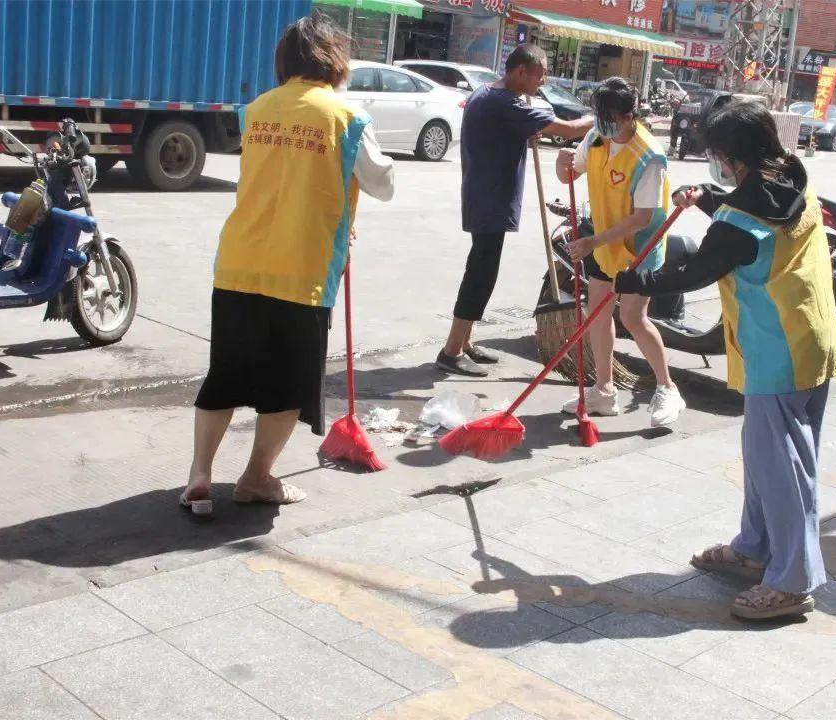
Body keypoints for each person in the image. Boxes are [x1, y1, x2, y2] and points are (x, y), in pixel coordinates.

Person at [615, 100, 836, 620]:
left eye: (717, 155)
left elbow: (695, 271)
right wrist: (711, 199)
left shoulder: (740, 220)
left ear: (732, 155)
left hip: (778, 350)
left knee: (783, 469)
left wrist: (634, 282)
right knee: (769, 458)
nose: (715, 163)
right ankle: (755, 547)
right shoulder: (792, 176)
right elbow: (752, 215)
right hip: (808, 337)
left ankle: (791, 581)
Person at [181, 13, 395, 517]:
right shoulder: (345, 116)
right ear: (335, 59)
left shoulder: (256, 109)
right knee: (286, 387)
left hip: (239, 262)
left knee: (226, 375)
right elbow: (382, 182)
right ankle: (256, 478)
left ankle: (199, 473)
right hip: (302, 271)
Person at [435, 44, 593, 377]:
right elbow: (571, 129)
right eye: (540, 72)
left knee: (482, 268)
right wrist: (607, 115)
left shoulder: (486, 93)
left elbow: (500, 131)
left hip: (485, 192)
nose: (543, 79)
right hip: (491, 196)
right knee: (480, 272)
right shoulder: (506, 101)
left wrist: (523, 132)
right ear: (521, 72)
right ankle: (451, 350)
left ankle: (464, 343)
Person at [559, 77, 686, 429]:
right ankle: (603, 391)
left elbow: (641, 218)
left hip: (638, 249)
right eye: (598, 114)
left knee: (632, 318)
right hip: (603, 245)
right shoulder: (596, 137)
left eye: (609, 117)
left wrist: (591, 243)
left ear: (630, 116)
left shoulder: (649, 157)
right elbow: (569, 175)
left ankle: (667, 387)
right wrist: (562, 162)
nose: (601, 123)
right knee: (596, 316)